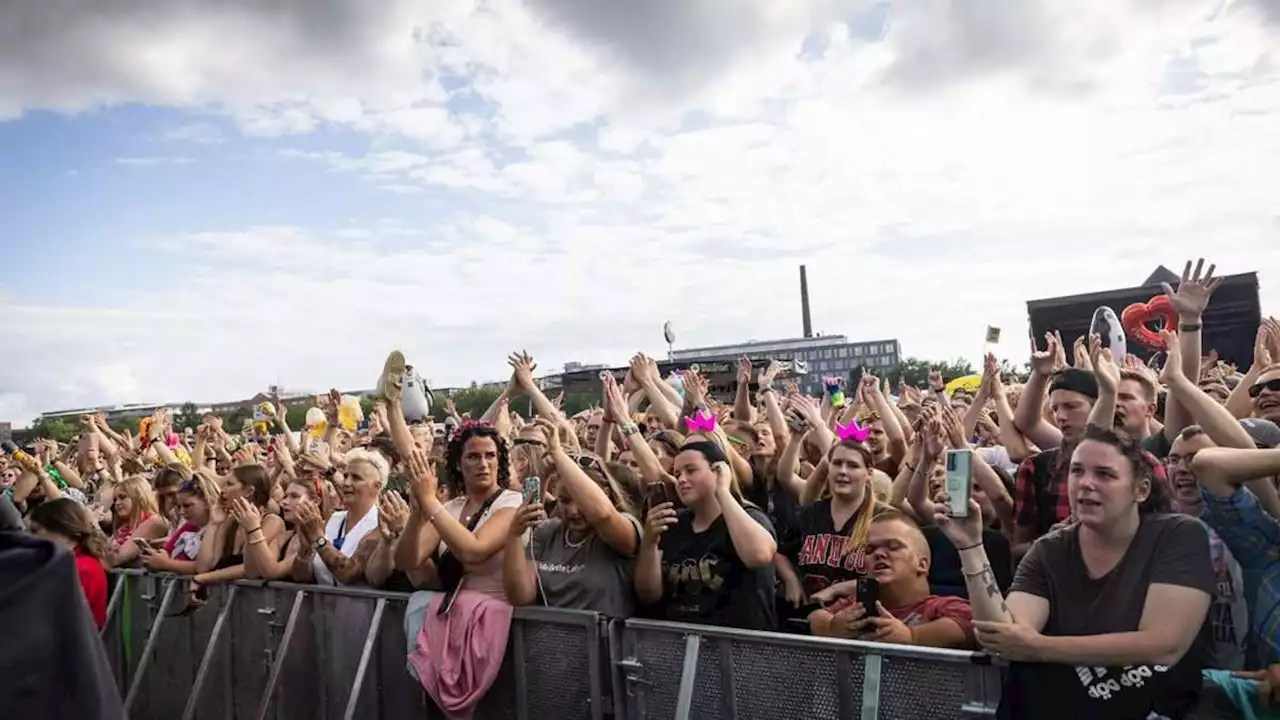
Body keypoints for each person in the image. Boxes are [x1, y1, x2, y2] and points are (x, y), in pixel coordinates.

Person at [935, 423, 1213, 719]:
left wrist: (1040, 648)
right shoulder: (1048, 550)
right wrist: (971, 547)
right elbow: (1005, 637)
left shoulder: (1178, 536)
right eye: (1077, 471)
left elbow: (1163, 644)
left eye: (1104, 474)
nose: (1085, 483)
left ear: (1141, 489)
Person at [503, 384, 642, 616]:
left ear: (605, 494)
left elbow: (603, 514)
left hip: (606, 648)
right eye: (564, 501)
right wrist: (513, 536)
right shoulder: (548, 533)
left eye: (580, 501)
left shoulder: (626, 529)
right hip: (553, 646)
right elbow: (521, 596)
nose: (574, 511)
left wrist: (558, 454)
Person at [635, 430, 778, 630]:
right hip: (682, 644)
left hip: (739, 649)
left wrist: (722, 492)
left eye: (691, 470)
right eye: (677, 474)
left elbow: (759, 556)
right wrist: (649, 543)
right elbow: (648, 595)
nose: (681, 479)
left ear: (718, 471)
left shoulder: (750, 516)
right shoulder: (675, 521)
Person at [809, 512, 976, 649]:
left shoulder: (940, 607)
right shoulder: (857, 606)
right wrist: (831, 627)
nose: (879, 554)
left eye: (893, 547)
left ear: (922, 564)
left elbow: (973, 624)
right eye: (870, 549)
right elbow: (815, 617)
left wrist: (913, 637)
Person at [26, 498, 110, 629]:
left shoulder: (82, 568)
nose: (31, 537)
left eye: (37, 530)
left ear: (63, 529)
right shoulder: (68, 563)